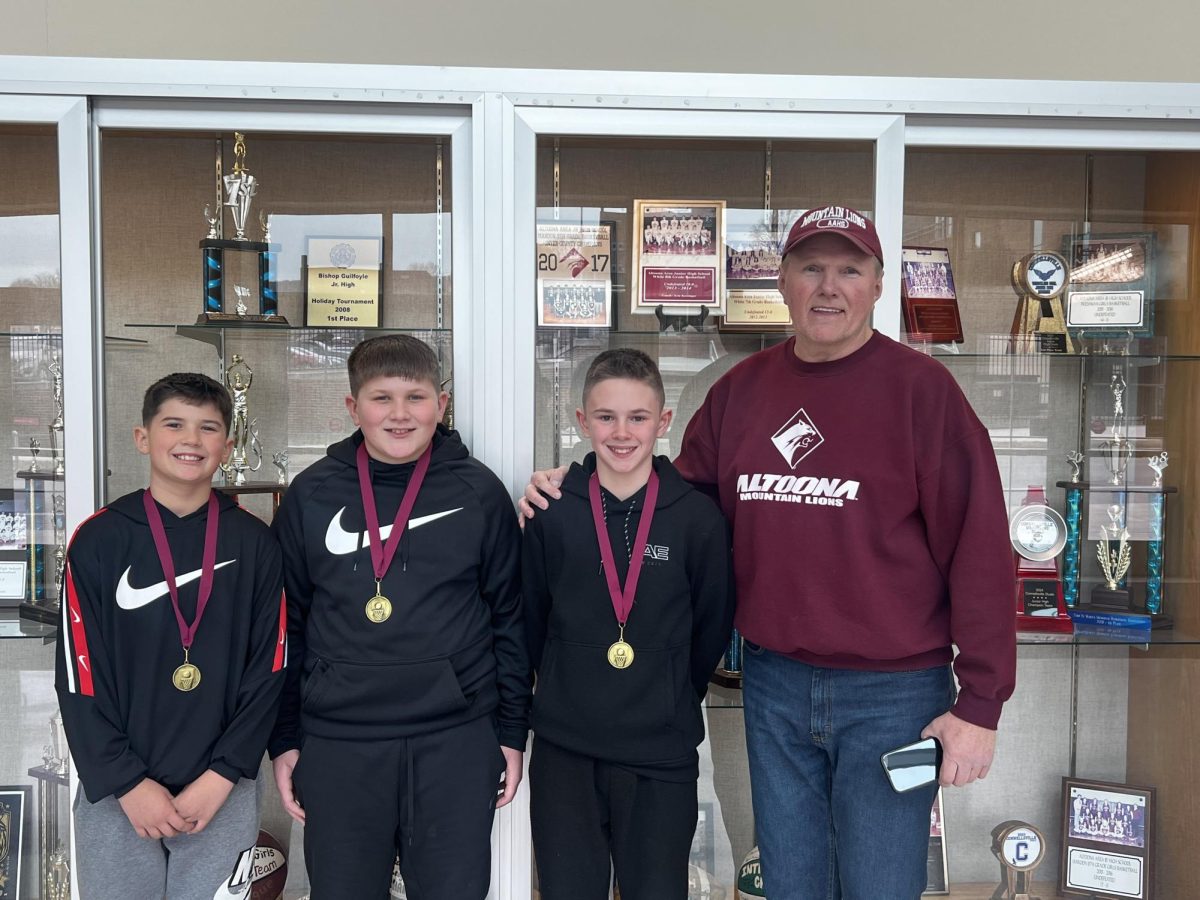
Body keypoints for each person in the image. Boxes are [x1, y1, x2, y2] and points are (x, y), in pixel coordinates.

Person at [522, 205, 1016, 898]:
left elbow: (982, 553)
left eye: (850, 269)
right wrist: (576, 486)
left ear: (878, 284)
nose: (828, 286)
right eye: (811, 267)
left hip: (894, 694)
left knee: (879, 884)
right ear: (781, 281)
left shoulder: (923, 394)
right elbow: (674, 506)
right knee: (789, 883)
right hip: (775, 685)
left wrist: (982, 705)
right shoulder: (741, 395)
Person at [269, 334, 529, 899]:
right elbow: (285, 627)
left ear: (442, 402)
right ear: (351, 406)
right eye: (381, 398)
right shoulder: (312, 494)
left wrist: (511, 731)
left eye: (415, 397)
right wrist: (286, 737)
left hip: (453, 738)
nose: (399, 413)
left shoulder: (478, 491)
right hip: (339, 741)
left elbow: (510, 617)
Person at [56, 372, 286, 900]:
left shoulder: (254, 542)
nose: (191, 440)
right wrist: (126, 783)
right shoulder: (98, 540)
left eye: (208, 428)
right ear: (143, 437)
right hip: (118, 794)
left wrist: (224, 775)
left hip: (219, 792)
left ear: (227, 446)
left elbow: (270, 669)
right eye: (174, 424)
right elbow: (76, 673)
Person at [524, 348, 734, 900]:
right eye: (606, 417)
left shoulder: (696, 519)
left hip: (660, 755)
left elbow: (710, 628)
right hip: (565, 754)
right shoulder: (551, 511)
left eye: (638, 417)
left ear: (663, 422)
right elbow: (530, 622)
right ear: (581, 421)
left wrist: (663, 692)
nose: (622, 433)